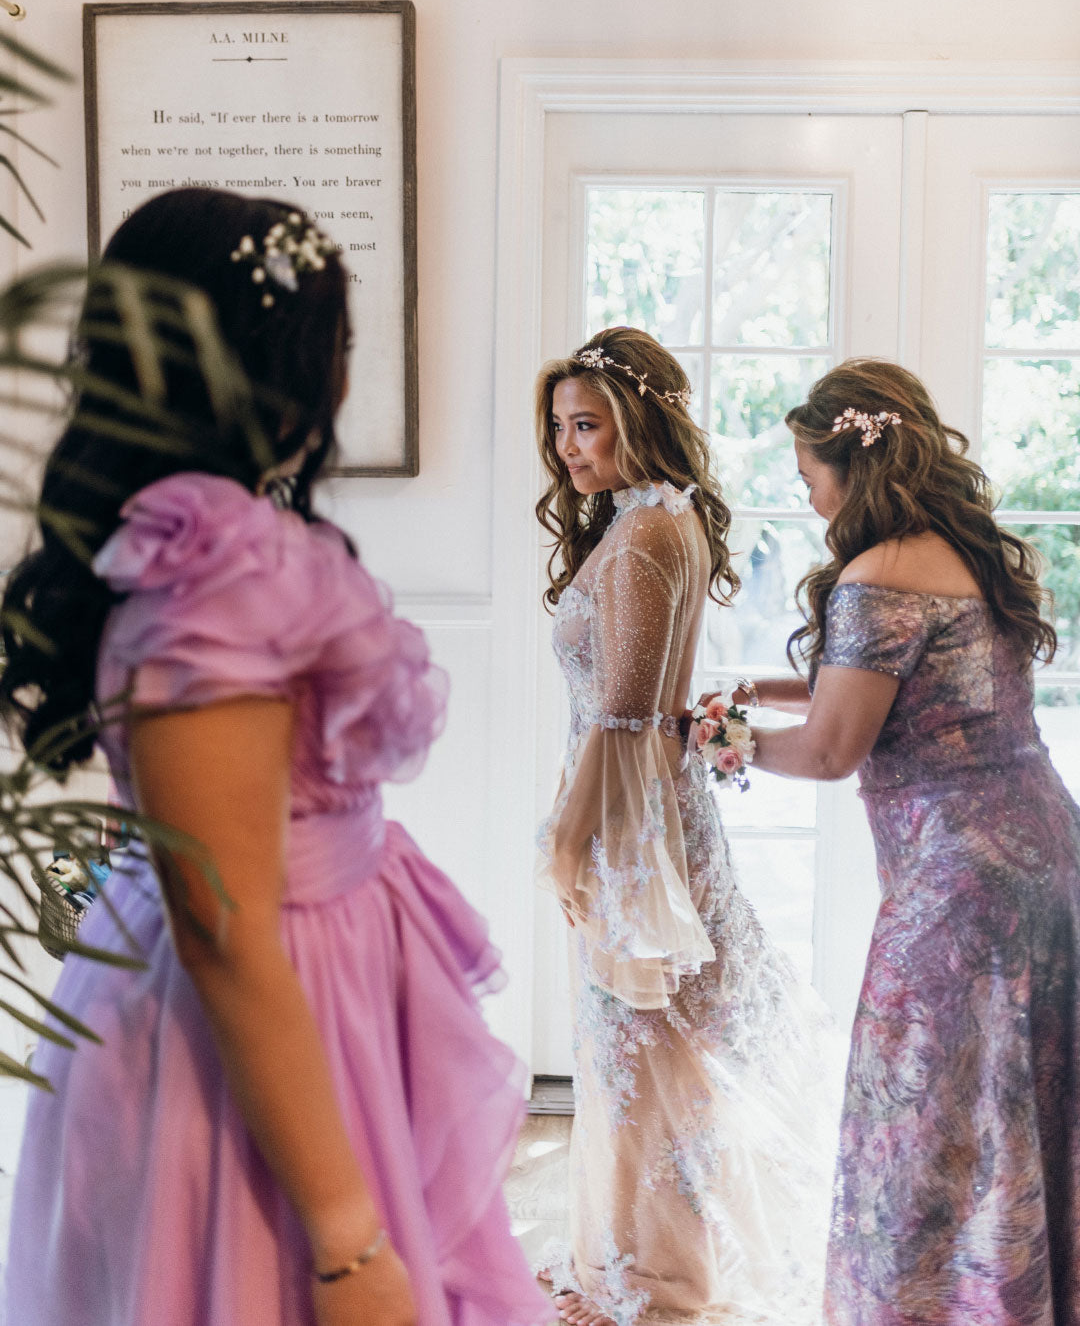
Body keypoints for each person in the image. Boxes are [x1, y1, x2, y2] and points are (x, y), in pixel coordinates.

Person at [1, 188, 551, 1326]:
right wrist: (349, 1247)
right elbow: (224, 922)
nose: (343, 372)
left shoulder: (226, 541)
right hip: (263, 1001)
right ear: (270, 364)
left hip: (318, 981)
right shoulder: (215, 571)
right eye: (332, 341)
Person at [741, 356, 1080, 1326]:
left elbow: (832, 747)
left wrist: (712, 741)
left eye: (810, 481)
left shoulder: (874, 574)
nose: (810, 503)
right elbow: (895, 691)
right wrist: (752, 692)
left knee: (924, 1118)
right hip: (1049, 859)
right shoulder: (973, 557)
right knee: (1023, 1106)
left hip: (957, 890)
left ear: (853, 472)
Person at [533, 327, 835, 1326]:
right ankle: (629, 1266)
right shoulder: (644, 521)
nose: (571, 447)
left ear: (641, 420)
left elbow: (623, 710)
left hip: (632, 830)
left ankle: (657, 1289)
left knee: (645, 1063)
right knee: (638, 1060)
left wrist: (565, 835)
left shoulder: (651, 528)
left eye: (590, 424)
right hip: (641, 816)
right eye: (563, 427)